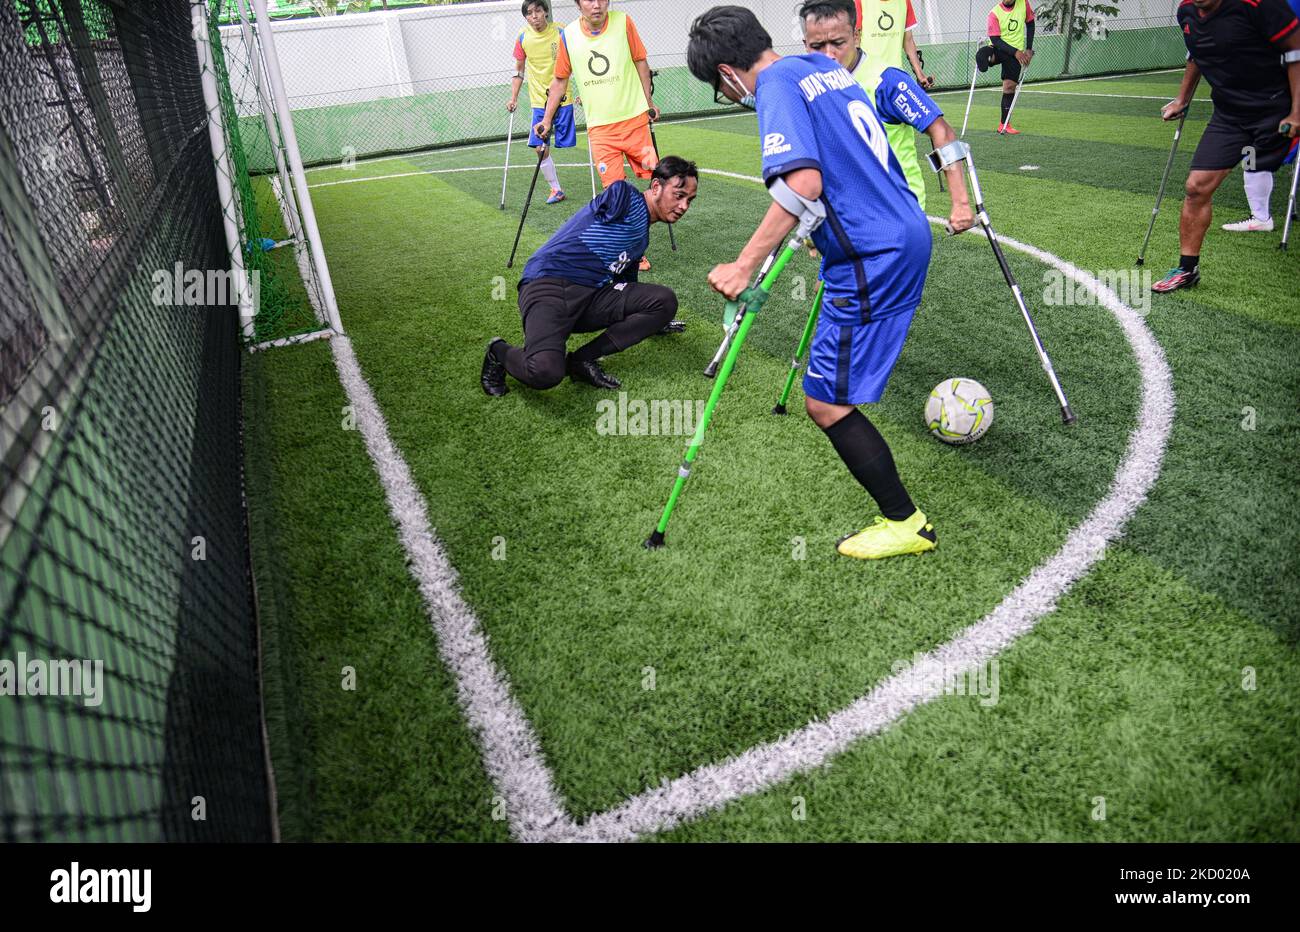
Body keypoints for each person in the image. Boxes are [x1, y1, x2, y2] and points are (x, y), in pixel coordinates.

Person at [685, 6, 975, 561]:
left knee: (824, 401)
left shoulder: (773, 88)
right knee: (834, 388)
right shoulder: (823, 70)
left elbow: (803, 180)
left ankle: (905, 523)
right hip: (900, 230)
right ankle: (900, 517)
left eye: (720, 87)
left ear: (726, 72)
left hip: (873, 253)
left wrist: (743, 265)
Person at [481, 157, 698, 397]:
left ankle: (581, 360)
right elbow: (612, 195)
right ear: (656, 186)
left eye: (690, 200)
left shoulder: (641, 240)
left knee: (664, 300)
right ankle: (497, 351)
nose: (684, 206)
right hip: (548, 284)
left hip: (590, 297)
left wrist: (655, 320)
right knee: (544, 372)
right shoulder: (624, 195)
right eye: (679, 195)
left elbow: (627, 287)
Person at [1153, 0, 1300, 292]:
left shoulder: (1258, 5)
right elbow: (1196, 54)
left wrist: (1297, 111)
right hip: (1230, 115)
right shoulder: (1186, 12)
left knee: (1262, 165)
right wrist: (1182, 99)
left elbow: (1296, 52)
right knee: (1196, 187)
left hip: (1276, 108)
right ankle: (1187, 270)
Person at [533, 0, 663, 271]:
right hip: (601, 130)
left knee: (656, 181)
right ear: (578, 4)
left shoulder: (623, 22)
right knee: (615, 193)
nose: (597, 5)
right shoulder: (568, 35)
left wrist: (649, 101)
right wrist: (546, 119)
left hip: (635, 120)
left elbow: (641, 62)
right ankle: (632, 250)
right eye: (589, 0)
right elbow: (559, 80)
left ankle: (637, 232)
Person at [802, 0, 932, 209]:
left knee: (890, 147)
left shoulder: (903, 3)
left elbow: (908, 38)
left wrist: (918, 72)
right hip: (854, 74)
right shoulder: (857, 2)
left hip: (886, 80)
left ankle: (904, 203)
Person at [1223, 0, 1300, 232]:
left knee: (1255, 149)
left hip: (1280, 92)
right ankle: (1259, 217)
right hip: (1265, 95)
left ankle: (1261, 216)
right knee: (1252, 150)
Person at [508, 0, 576, 206]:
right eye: (529, 13)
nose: (534, 16)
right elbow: (519, 70)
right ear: (526, 17)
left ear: (546, 12)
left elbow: (578, 61)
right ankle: (556, 189)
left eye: (538, 10)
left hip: (564, 97)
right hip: (539, 100)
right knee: (539, 147)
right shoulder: (522, 37)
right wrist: (513, 98)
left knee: (569, 143)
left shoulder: (562, 31)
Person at [975, 0, 1035, 135]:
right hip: (999, 48)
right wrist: (1016, 52)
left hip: (1015, 53)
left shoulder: (1023, 3)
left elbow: (1030, 24)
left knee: (1009, 87)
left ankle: (1004, 124)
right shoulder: (994, 13)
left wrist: (1029, 49)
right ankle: (984, 58)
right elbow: (995, 40)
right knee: (989, 53)